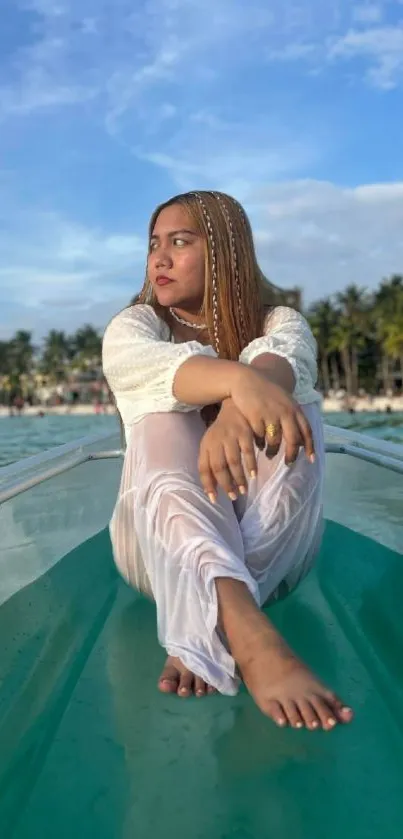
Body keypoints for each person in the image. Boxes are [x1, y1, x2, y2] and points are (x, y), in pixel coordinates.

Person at [103, 190, 353, 732]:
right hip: (156, 553)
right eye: (153, 245)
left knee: (294, 401)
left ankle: (200, 628)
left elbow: (282, 363)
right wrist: (239, 383)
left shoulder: (280, 321)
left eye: (180, 242)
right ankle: (248, 630)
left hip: (274, 552)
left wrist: (239, 412)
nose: (159, 259)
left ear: (224, 252)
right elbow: (163, 373)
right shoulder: (135, 327)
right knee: (159, 418)